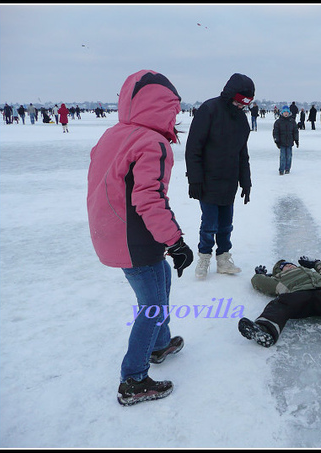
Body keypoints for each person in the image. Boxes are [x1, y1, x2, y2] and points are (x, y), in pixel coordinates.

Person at [87, 69, 194, 406]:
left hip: (113, 233)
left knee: (160, 278)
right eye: (174, 110)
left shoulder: (114, 134)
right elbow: (149, 199)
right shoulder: (152, 142)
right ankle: (133, 378)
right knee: (152, 306)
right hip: (134, 238)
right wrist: (175, 242)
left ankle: (160, 344)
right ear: (161, 108)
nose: (176, 117)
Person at [185, 73, 254, 278]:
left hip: (229, 181)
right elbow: (193, 148)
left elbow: (242, 154)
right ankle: (204, 258)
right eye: (239, 102)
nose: (242, 107)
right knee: (209, 224)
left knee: (226, 225)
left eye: (245, 104)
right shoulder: (209, 110)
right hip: (207, 181)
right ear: (230, 95)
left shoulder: (241, 119)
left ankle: (223, 259)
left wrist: (246, 182)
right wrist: (194, 179)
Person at [273, 105, 299, 175]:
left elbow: (295, 131)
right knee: (283, 156)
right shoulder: (278, 122)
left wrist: (296, 140)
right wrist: (277, 140)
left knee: (289, 156)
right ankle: (281, 169)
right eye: (285, 112)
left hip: (290, 142)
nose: (286, 113)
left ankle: (287, 169)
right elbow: (275, 132)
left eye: (287, 112)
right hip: (282, 142)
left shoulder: (292, 121)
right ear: (282, 113)